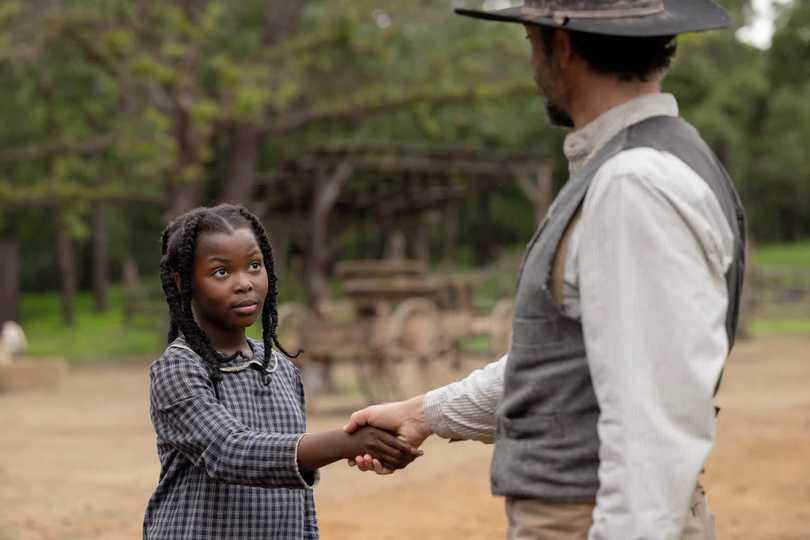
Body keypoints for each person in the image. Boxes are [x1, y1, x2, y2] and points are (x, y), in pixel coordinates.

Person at [345, 1, 747, 539]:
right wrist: (425, 413)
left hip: (590, 518)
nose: (532, 64)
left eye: (531, 43)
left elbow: (654, 422)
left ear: (561, 46)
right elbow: (570, 366)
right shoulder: (639, 165)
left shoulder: (633, 184)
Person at [143, 204, 420, 539]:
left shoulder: (281, 368)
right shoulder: (179, 369)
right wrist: (348, 443)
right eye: (221, 272)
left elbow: (300, 496)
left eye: (254, 266)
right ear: (182, 282)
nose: (244, 283)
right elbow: (230, 451)